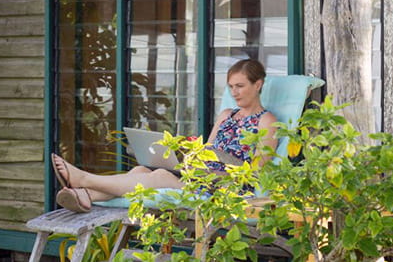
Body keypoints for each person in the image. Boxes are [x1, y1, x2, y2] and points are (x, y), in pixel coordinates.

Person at [52, 58, 278, 212]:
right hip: (200, 177)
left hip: (227, 190)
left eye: (239, 86)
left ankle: (85, 180)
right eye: (230, 86)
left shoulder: (267, 121)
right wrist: (188, 158)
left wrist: (219, 170)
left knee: (160, 176)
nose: (233, 92)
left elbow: (257, 171)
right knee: (141, 170)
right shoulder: (227, 115)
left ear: (257, 84)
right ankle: (86, 195)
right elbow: (207, 149)